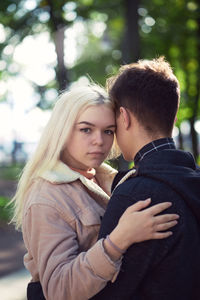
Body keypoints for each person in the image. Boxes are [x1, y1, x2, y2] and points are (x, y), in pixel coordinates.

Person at [10, 84, 179, 300]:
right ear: (62, 131)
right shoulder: (46, 197)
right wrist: (119, 239)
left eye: (108, 131)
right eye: (86, 129)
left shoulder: (110, 179)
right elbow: (58, 289)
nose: (99, 141)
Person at [91, 57, 200, 300]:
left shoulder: (136, 196)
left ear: (124, 117)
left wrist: (38, 289)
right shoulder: (193, 179)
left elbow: (100, 293)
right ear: (172, 117)